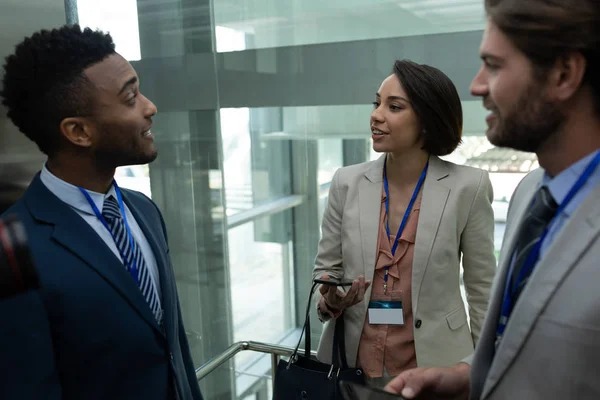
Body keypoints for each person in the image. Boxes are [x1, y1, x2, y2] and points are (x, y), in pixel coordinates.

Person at [385, 1, 600, 399]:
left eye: (495, 66)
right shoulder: (531, 194)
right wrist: (468, 377)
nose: (477, 85)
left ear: (563, 74)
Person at [0, 25, 203, 400]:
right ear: (78, 131)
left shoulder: (143, 209)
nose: (150, 107)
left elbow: (171, 350)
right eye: (130, 98)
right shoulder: (12, 249)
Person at [312, 59, 497, 387]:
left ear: (427, 120)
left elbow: (482, 287)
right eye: (377, 102)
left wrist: (480, 372)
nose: (376, 115)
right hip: (350, 369)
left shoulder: (469, 187)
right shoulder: (345, 182)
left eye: (394, 106)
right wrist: (330, 300)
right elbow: (325, 272)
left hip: (435, 369)